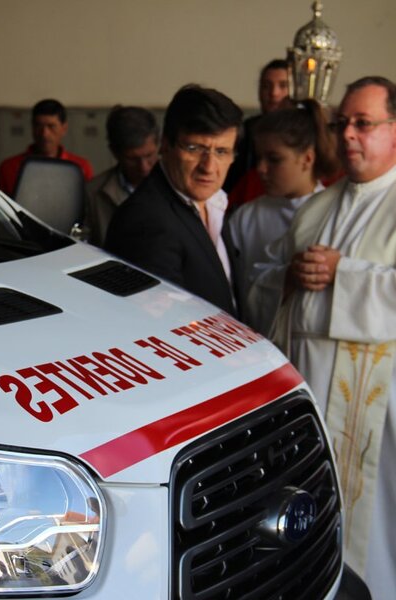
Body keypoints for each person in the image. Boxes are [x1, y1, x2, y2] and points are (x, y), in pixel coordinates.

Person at [249, 76, 396, 598]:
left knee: (377, 533)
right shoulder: (315, 209)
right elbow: (262, 285)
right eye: (342, 124)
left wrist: (345, 274)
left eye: (364, 123)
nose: (349, 134)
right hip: (310, 408)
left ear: (394, 129)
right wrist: (286, 278)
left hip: (379, 416)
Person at [105, 84, 242, 317]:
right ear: (165, 146)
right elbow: (162, 328)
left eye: (221, 152)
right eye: (195, 148)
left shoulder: (213, 201)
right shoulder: (145, 221)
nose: (209, 167)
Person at [229, 98, 339, 334]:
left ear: (307, 159)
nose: (261, 169)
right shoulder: (246, 216)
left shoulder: (333, 212)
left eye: (274, 159)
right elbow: (236, 289)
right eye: (259, 158)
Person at [84, 105, 159, 246]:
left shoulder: (176, 186)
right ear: (114, 153)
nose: (143, 167)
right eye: (132, 159)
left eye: (149, 155)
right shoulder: (93, 194)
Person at [0, 99, 93, 197]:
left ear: (64, 128)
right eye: (38, 126)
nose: (44, 134)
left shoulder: (80, 167)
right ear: (32, 127)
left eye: (51, 126)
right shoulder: (9, 168)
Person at [224, 59, 290, 201]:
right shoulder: (245, 130)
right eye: (266, 86)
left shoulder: (303, 134)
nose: (274, 93)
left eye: (283, 86)